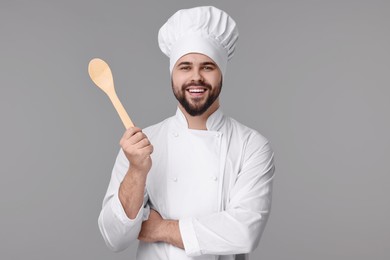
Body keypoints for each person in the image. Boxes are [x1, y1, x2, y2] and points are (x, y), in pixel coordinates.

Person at [98, 6, 275, 260]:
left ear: (221, 73)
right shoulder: (141, 144)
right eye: (185, 67)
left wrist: (160, 228)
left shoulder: (251, 145)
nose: (196, 78)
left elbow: (245, 232)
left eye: (207, 67)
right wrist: (137, 171)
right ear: (172, 75)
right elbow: (114, 237)